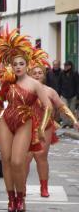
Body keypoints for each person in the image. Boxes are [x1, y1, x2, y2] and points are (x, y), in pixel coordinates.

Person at [0, 28, 52, 212]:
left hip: (25, 122)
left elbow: (48, 106)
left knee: (18, 161)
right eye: (15, 64)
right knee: (6, 161)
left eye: (21, 63)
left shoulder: (35, 84)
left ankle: (21, 197)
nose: (18, 67)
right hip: (6, 122)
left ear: (27, 65)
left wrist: (41, 128)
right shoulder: (8, 83)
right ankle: (11, 199)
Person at [25, 49, 79, 197]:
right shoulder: (23, 90)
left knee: (41, 157)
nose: (37, 75)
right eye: (34, 73)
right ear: (29, 74)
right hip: (27, 127)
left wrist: (74, 120)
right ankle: (21, 187)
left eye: (39, 73)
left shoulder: (50, 92)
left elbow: (62, 107)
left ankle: (44, 187)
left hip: (46, 127)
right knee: (26, 157)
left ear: (44, 75)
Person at [59, 61, 79, 127]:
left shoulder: (75, 73)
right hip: (64, 94)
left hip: (73, 95)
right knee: (64, 109)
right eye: (64, 66)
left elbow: (77, 84)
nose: (65, 67)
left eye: (66, 66)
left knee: (72, 110)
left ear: (70, 66)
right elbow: (59, 83)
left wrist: (77, 95)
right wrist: (59, 93)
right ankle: (65, 123)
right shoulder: (61, 73)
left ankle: (71, 124)